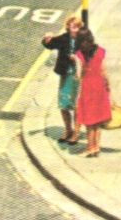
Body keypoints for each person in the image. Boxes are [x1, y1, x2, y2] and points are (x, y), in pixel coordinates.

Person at [42, 17, 83, 144]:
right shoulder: (64, 38)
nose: (75, 30)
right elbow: (50, 44)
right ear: (68, 27)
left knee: (77, 105)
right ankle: (68, 130)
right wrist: (46, 39)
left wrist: (77, 58)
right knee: (63, 103)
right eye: (72, 27)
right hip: (66, 74)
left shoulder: (84, 40)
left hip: (79, 75)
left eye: (77, 27)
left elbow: (91, 53)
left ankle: (76, 132)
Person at [74, 29, 113, 158]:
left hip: (88, 89)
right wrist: (108, 86)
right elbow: (103, 71)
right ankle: (96, 147)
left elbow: (79, 75)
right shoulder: (100, 51)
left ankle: (90, 148)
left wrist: (79, 66)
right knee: (97, 122)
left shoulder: (79, 54)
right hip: (100, 87)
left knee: (89, 122)